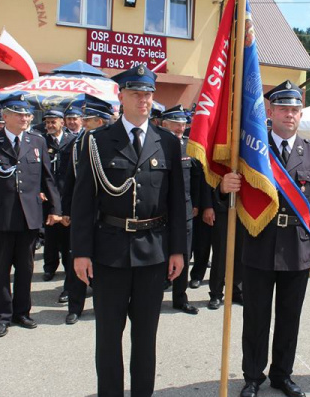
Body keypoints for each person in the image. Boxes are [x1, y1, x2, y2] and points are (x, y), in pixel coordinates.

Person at [71, 65, 186, 397]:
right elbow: (83, 205)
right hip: (109, 252)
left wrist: (178, 250)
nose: (144, 100)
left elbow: (178, 201)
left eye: (148, 94)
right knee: (108, 337)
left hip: (153, 251)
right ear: (120, 96)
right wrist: (81, 253)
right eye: (136, 94)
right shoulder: (97, 141)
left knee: (146, 338)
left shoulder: (167, 142)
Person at [221, 80, 310, 397]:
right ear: (270, 111)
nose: (289, 115)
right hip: (258, 243)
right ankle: (253, 376)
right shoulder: (251, 150)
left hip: (298, 248)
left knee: (289, 318)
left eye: (295, 109)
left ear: (300, 113)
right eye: (283, 108)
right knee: (255, 317)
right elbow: (228, 195)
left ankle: (282, 374)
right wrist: (223, 188)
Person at [0, 93, 62, 338]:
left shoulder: (37, 141)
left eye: (28, 114)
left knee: (26, 267)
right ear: (5, 116)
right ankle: (2, 317)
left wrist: (55, 209)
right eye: (20, 114)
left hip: (29, 216)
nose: (25, 118)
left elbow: (47, 178)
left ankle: (22, 312)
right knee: (0, 270)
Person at [60, 95, 113, 325]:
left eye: (88, 120)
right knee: (77, 260)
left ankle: (103, 306)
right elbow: (68, 180)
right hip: (83, 212)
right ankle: (75, 306)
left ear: (100, 121)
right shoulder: (76, 144)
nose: (82, 122)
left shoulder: (111, 142)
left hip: (105, 215)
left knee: (103, 264)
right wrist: (66, 210)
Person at [161, 104, 201, 315]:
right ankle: (154, 294)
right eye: (176, 123)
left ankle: (180, 298)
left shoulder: (189, 146)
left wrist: (195, 204)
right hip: (159, 212)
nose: (180, 127)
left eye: (183, 123)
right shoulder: (156, 144)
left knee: (183, 256)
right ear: (164, 123)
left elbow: (196, 178)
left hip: (184, 211)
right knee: (159, 255)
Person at [41, 110, 77, 303]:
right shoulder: (40, 141)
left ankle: (69, 285)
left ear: (62, 123)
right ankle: (49, 267)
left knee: (68, 245)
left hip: (67, 198)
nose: (49, 125)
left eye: (53, 122)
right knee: (50, 238)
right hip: (48, 199)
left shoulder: (73, 141)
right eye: (47, 122)